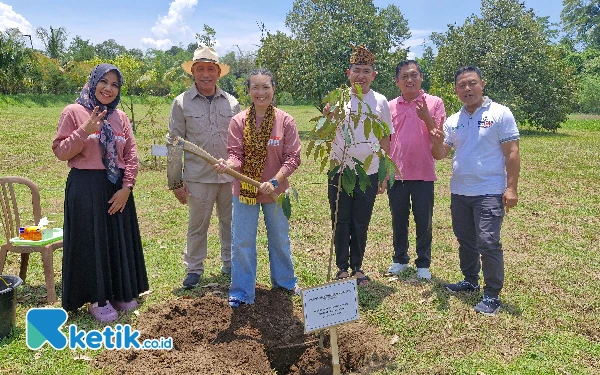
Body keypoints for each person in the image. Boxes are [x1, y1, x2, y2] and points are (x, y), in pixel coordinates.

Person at [52, 63, 149, 323]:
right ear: (93, 82)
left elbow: (131, 156)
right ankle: (97, 299)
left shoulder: (120, 117)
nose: (109, 88)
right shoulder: (74, 111)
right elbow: (61, 152)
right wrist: (84, 130)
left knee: (116, 238)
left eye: (115, 84)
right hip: (85, 187)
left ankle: (119, 292)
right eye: (104, 82)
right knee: (91, 240)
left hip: (116, 187)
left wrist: (127, 187)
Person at [430, 66, 520, 316]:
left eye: (472, 83)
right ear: (456, 90)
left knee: (488, 242)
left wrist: (511, 188)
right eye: (461, 85)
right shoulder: (453, 121)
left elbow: (512, 152)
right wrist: (436, 141)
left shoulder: (500, 113)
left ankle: (492, 294)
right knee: (465, 240)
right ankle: (470, 281)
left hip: (490, 190)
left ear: (482, 84)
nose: (467, 89)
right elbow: (440, 154)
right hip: (460, 191)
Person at [213, 68, 301, 307]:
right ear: (248, 91)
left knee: (279, 239)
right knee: (242, 242)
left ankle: (284, 283)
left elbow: (292, 158)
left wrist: (274, 181)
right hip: (245, 192)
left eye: (265, 87)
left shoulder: (285, 121)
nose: (260, 92)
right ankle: (241, 291)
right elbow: (236, 155)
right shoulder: (238, 121)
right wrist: (228, 164)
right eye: (255, 87)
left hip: (275, 193)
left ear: (273, 89)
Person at [167, 46, 240, 289]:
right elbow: (174, 143)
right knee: (198, 225)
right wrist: (176, 182)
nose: (205, 74)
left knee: (230, 223)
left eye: (211, 69)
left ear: (219, 73)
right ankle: (194, 269)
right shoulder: (182, 102)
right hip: (198, 177)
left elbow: (239, 142)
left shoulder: (232, 103)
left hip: (229, 176)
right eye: (200, 69)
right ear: (193, 73)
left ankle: (230, 264)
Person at [328, 44, 393, 286]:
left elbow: (385, 137)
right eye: (357, 70)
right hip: (340, 170)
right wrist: (327, 117)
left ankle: (357, 267)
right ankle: (342, 268)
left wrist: (384, 173)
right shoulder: (338, 99)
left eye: (366, 70)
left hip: (369, 172)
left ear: (373, 75)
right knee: (340, 219)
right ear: (348, 73)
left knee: (360, 220)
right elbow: (327, 132)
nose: (361, 75)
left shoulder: (380, 101)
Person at [386, 60, 446, 280]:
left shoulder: (435, 102)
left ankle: (423, 264)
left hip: (423, 173)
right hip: (397, 174)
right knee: (398, 219)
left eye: (414, 75)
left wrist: (427, 117)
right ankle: (400, 259)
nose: (409, 80)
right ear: (397, 82)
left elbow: (439, 137)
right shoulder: (390, 106)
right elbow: (386, 140)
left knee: (424, 220)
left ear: (421, 77)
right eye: (404, 77)